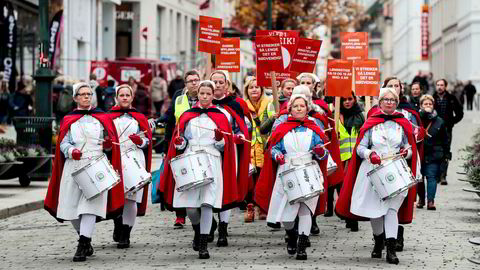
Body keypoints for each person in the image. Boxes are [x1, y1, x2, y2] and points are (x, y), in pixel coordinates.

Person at [335, 87, 418, 265]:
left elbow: (409, 147)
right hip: (372, 170)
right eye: (386, 99)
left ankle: (391, 249)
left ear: (397, 102)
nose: (389, 102)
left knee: (391, 209)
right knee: (376, 211)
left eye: (392, 100)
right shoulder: (371, 122)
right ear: (379, 102)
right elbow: (360, 147)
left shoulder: (402, 122)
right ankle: (378, 240)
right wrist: (369, 154)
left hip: (395, 171)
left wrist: (406, 152)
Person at [44, 82, 124, 262]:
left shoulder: (102, 117)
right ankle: (84, 237)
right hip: (74, 165)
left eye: (89, 94)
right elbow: (63, 143)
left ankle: (82, 244)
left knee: (90, 207)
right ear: (75, 98)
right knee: (70, 207)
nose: (87, 96)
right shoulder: (68, 119)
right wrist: (71, 151)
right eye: (82, 94)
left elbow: (109, 140)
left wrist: (109, 146)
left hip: (96, 165)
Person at [159, 80, 238, 259]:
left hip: (212, 160)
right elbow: (181, 140)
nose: (204, 96)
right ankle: (197, 229)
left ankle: (203, 244)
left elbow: (224, 146)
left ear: (212, 95)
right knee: (191, 207)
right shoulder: (187, 115)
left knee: (207, 202)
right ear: (198, 95)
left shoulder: (220, 116)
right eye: (202, 93)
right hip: (191, 159)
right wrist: (180, 143)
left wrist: (220, 140)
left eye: (208, 94)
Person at [255, 93, 329, 260]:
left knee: (305, 211)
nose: (299, 108)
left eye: (302, 106)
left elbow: (323, 152)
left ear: (307, 108)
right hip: (287, 171)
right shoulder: (282, 127)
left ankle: (302, 246)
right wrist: (277, 156)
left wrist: (320, 151)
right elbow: (274, 148)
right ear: (290, 109)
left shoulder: (314, 128)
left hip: (309, 171)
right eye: (295, 106)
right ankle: (292, 234)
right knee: (288, 215)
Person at [108, 84, 152, 248]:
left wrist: (140, 141)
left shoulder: (139, 118)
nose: (125, 98)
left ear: (132, 98)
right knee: (115, 195)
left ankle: (126, 233)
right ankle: (117, 221)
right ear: (117, 97)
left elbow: (147, 141)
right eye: (122, 95)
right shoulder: (108, 117)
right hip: (115, 159)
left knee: (131, 198)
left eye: (128, 95)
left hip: (134, 158)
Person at [210, 70, 250, 246]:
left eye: (221, 82)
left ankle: (223, 228)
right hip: (207, 152)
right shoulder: (202, 104)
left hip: (228, 151)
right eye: (214, 82)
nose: (218, 85)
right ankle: (208, 223)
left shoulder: (234, 104)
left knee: (225, 188)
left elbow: (242, 126)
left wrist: (239, 135)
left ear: (226, 85)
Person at [161, 69, 202, 227]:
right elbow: (171, 121)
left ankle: (197, 210)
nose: (194, 83)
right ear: (185, 84)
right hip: (180, 145)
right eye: (191, 80)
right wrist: (166, 148)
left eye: (196, 80)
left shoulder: (205, 97)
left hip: (198, 144)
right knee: (180, 177)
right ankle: (180, 214)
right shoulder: (179, 99)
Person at [243, 76, 272, 222]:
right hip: (249, 146)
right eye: (251, 87)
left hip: (265, 146)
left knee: (263, 178)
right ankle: (250, 208)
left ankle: (262, 207)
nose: (254, 89)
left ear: (261, 90)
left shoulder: (269, 103)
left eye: (256, 87)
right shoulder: (243, 105)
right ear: (247, 91)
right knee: (249, 180)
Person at [335, 92, 364, 231]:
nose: (347, 102)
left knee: (353, 188)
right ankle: (345, 213)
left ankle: (353, 218)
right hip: (340, 158)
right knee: (342, 189)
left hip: (355, 158)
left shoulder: (360, 116)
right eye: (344, 99)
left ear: (354, 100)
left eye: (350, 99)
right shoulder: (335, 116)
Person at [416, 95, 449, 210]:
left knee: (431, 177)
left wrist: (446, 153)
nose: (428, 106)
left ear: (433, 105)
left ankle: (431, 201)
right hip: (419, 153)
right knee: (419, 178)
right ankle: (421, 199)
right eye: (425, 104)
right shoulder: (416, 119)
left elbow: (445, 139)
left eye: (430, 104)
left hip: (434, 154)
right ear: (421, 106)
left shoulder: (439, 121)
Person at [433, 79, 463, 185]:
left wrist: (452, 122)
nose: (439, 87)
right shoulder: (432, 98)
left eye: (441, 85)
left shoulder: (451, 98)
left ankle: (443, 176)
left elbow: (460, 112)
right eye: (438, 85)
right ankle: (436, 175)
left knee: (445, 151)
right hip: (434, 130)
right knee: (435, 151)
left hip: (447, 129)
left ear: (445, 86)